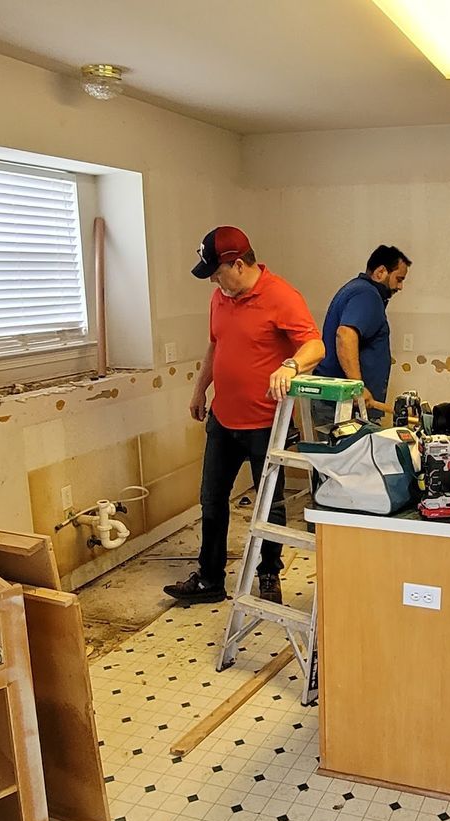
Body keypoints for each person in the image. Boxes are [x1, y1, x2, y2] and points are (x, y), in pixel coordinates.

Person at [164, 226, 325, 605]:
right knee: (212, 500)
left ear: (239, 264)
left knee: (270, 505)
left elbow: (314, 345)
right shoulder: (220, 298)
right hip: (223, 419)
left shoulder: (281, 296)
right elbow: (215, 344)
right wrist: (199, 388)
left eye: (218, 274)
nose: (215, 283)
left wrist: (291, 365)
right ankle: (210, 578)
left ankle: (269, 574)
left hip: (267, 424)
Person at [316, 245, 411, 418]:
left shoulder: (356, 289)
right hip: (346, 405)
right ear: (381, 272)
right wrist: (357, 388)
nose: (401, 286)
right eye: (399, 279)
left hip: (340, 402)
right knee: (354, 446)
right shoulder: (367, 295)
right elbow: (345, 335)